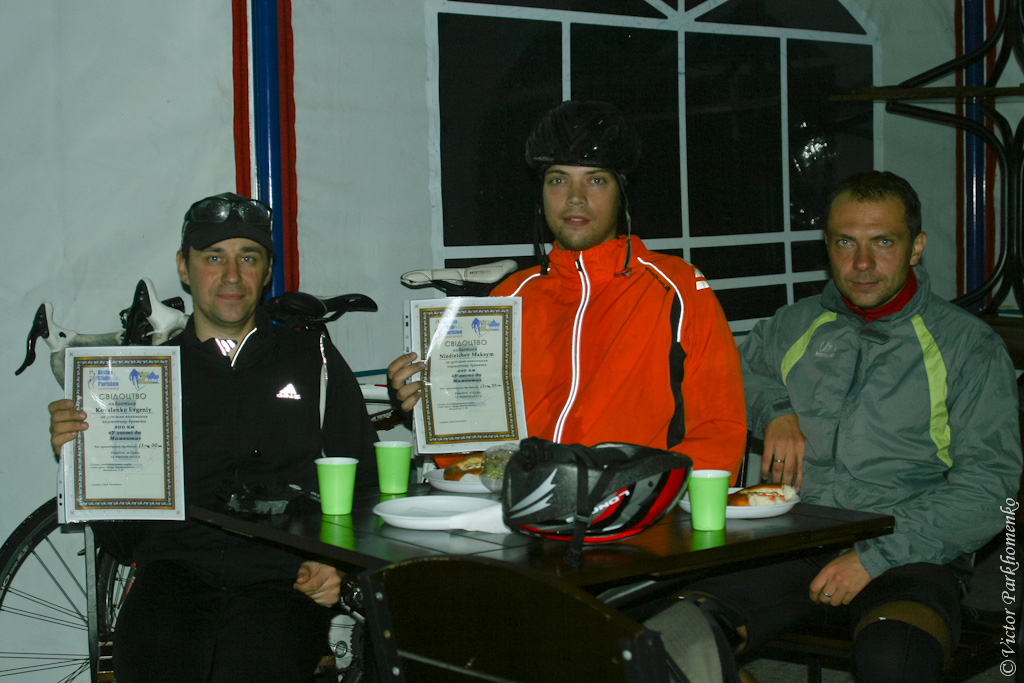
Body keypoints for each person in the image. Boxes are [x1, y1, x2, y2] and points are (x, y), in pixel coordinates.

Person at [657, 171, 1022, 682]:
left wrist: (875, 557)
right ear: (827, 245)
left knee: (895, 659)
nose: (863, 263)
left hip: (909, 547)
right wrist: (776, 409)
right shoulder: (793, 324)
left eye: (884, 242)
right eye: (846, 242)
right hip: (793, 539)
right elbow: (732, 376)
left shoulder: (969, 347)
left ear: (916, 248)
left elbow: (990, 486)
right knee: (669, 641)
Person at [48, 192, 378, 682]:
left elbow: (365, 480)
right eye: (213, 257)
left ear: (267, 271)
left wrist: (334, 565)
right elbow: (122, 539)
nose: (231, 276)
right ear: (184, 267)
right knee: (153, 664)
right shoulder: (142, 377)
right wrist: (81, 457)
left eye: (248, 258)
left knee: (255, 667)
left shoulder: (314, 360)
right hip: (172, 576)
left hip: (284, 579)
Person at [389, 100, 746, 476]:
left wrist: (642, 495)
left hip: (634, 503)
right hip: (521, 502)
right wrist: (435, 408)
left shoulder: (676, 288)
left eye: (596, 180)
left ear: (621, 192)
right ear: (541, 193)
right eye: (558, 180)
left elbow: (720, 431)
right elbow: (475, 450)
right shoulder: (509, 297)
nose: (576, 197)